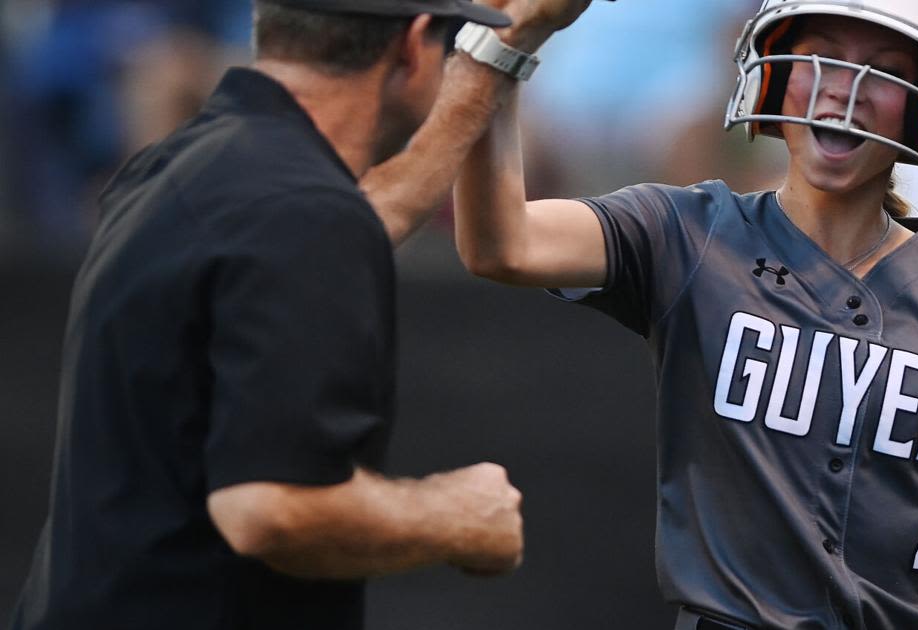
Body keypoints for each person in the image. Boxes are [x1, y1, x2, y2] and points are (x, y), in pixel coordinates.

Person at [442, 0, 918, 628]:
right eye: (823, 59)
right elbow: (502, 245)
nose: (846, 91)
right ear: (775, 72)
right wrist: (502, 50)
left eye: (884, 71)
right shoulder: (687, 232)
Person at [8, 0, 591, 628]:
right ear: (412, 45)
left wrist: (495, 52)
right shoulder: (304, 216)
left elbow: (358, 219)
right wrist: (454, 517)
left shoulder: (181, 165)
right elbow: (268, 510)